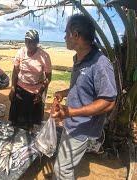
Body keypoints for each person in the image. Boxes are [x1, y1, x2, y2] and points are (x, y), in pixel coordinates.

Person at [51, 14, 117, 179]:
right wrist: (64, 93)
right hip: (72, 123)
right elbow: (82, 87)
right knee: (63, 163)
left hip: (83, 127)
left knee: (62, 170)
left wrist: (70, 112)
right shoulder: (79, 59)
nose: (64, 37)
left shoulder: (101, 64)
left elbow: (109, 102)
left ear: (76, 35)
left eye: (66, 33)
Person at [9, 29, 52, 130]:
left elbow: (48, 77)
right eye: (26, 41)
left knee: (31, 122)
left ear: (37, 42)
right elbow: (15, 72)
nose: (29, 44)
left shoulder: (44, 56)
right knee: (15, 120)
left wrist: (40, 92)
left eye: (31, 41)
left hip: (35, 92)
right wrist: (13, 88)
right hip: (20, 89)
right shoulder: (20, 52)